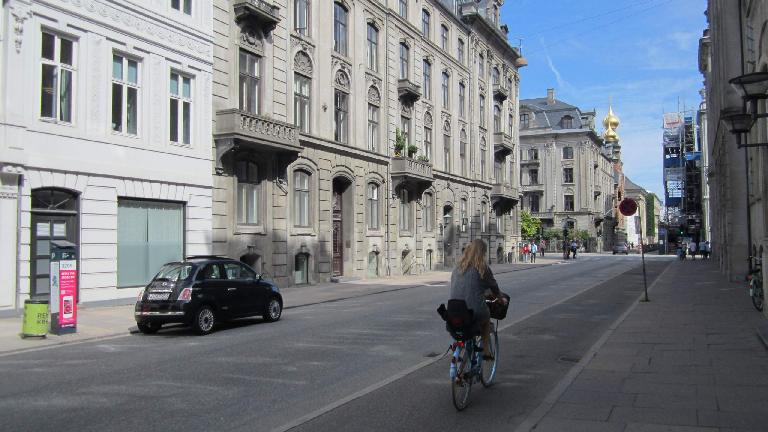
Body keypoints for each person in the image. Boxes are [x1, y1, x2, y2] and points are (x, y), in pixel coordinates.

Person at [449, 239, 508, 359]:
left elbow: (467, 287)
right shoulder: (482, 268)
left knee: (466, 324)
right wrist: (501, 300)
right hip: (474, 310)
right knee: (486, 322)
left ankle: (461, 351)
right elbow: (494, 288)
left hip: (453, 311)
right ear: (482, 252)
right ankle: (486, 351)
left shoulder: (457, 267)